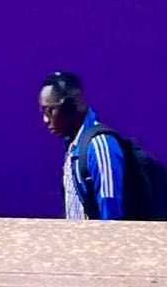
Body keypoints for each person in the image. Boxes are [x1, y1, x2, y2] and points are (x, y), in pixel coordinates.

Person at [38, 70, 128, 221]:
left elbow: (111, 221)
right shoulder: (75, 147)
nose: (45, 120)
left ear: (69, 107)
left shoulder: (100, 146)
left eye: (49, 111)